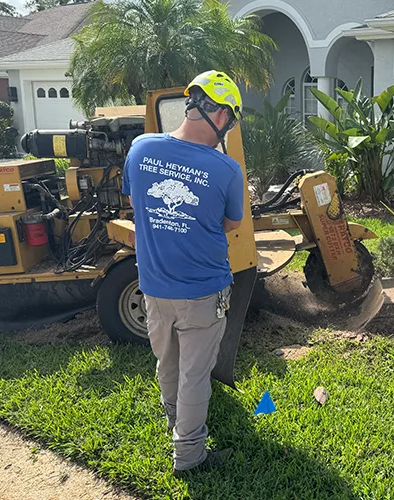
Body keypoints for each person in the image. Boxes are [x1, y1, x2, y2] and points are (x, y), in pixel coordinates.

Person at [121, 70, 245, 475]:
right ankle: (189, 456)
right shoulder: (226, 170)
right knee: (195, 375)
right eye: (233, 118)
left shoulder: (139, 150)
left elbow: (137, 205)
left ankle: (176, 423)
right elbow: (229, 225)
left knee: (167, 362)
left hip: (154, 287)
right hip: (202, 291)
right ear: (223, 115)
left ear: (191, 104)